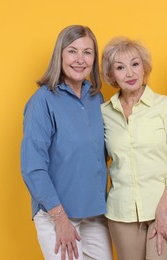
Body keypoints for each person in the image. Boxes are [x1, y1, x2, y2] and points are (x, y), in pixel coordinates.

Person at [20, 25, 112, 260]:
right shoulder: (42, 101)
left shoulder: (96, 98)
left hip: (94, 213)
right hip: (57, 214)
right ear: (59, 54)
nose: (80, 59)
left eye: (87, 52)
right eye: (72, 51)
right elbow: (33, 167)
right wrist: (59, 219)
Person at [100, 37, 167, 260]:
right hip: (122, 212)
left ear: (144, 68)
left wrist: (161, 209)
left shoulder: (164, 106)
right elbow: (94, 160)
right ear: (111, 76)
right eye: (120, 67)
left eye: (135, 64)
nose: (129, 73)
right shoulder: (102, 113)